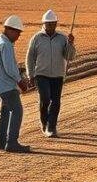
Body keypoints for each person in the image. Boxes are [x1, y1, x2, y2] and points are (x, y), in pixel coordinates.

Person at [25, 8, 76, 137]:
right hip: (41, 75)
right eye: (48, 23)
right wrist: (30, 75)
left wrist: (71, 44)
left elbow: (70, 56)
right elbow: (30, 58)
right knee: (45, 98)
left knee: (56, 101)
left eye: (53, 23)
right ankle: (44, 122)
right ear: (43, 24)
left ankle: (51, 127)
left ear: (56, 23)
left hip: (58, 75)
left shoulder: (62, 38)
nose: (51, 26)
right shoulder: (36, 38)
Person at [0, 15, 30, 152]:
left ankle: (0, 142)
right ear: (10, 30)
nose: (18, 36)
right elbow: (9, 68)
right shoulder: (5, 45)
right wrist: (20, 81)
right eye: (17, 33)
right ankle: (12, 142)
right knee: (17, 110)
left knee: (5, 112)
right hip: (7, 86)